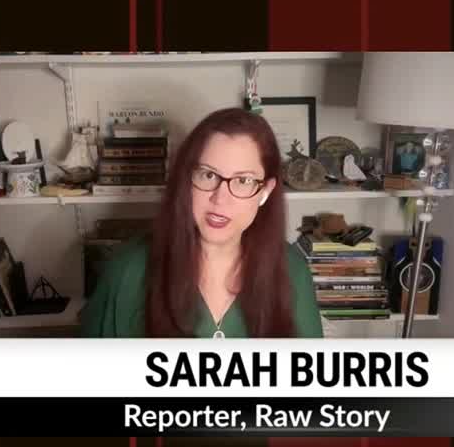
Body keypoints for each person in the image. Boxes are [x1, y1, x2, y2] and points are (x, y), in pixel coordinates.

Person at [81, 107, 322, 338]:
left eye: (243, 180)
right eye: (208, 175)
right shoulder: (127, 270)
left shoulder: (293, 271)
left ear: (265, 192)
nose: (220, 198)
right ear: (186, 179)